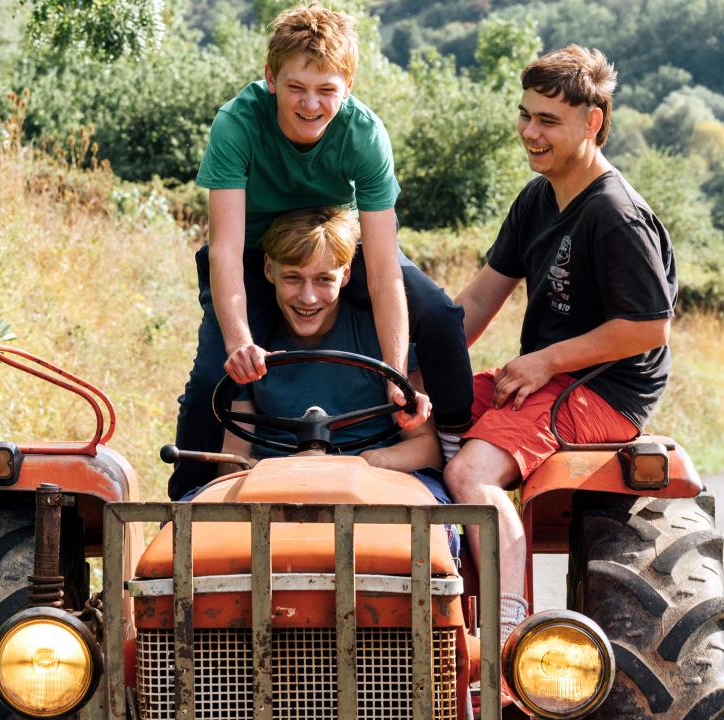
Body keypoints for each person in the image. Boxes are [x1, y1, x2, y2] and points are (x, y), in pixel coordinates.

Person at [171, 3, 473, 500]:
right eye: (296, 88)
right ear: (271, 78)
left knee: (439, 315)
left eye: (326, 91)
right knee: (211, 379)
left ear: (347, 87)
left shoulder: (365, 135)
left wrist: (396, 375)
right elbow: (224, 249)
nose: (310, 104)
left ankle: (454, 448)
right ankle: (184, 499)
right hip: (254, 255)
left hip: (331, 246)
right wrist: (239, 341)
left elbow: (381, 268)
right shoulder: (237, 125)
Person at [443, 46, 677, 644]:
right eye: (525, 115)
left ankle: (510, 635)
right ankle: (431, 604)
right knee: (413, 425)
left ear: (591, 122)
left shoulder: (615, 215)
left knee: (472, 475)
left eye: (547, 121)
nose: (530, 132)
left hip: (603, 390)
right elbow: (477, 303)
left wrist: (545, 359)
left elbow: (650, 326)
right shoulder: (539, 197)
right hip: (545, 377)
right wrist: (413, 373)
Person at [193, 207, 458, 554]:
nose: (308, 298)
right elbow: (235, 455)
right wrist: (268, 476)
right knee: (186, 537)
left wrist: (365, 464)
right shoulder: (251, 345)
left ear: (346, 274)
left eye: (323, 279)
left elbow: (426, 446)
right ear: (269, 270)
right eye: (292, 278)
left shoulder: (381, 336)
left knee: (429, 540)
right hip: (273, 487)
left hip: (377, 483)